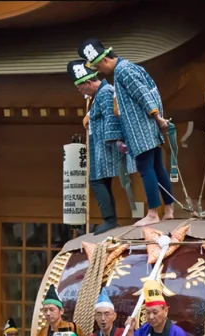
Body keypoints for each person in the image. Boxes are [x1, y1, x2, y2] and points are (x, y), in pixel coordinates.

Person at [80, 38, 174, 227]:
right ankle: (169, 210)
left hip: (140, 128)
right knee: (157, 167)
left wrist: (158, 118)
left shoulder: (123, 71)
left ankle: (153, 213)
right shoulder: (130, 68)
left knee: (146, 169)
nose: (100, 72)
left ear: (105, 60)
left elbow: (144, 95)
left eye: (98, 66)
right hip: (146, 126)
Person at [67, 59, 136, 235]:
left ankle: (109, 219)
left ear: (88, 82)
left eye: (81, 87)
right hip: (99, 144)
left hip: (107, 144)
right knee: (101, 181)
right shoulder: (99, 95)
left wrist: (113, 140)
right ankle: (109, 218)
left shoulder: (105, 92)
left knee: (97, 181)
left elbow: (111, 118)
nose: (81, 91)